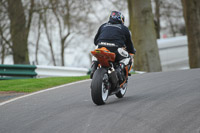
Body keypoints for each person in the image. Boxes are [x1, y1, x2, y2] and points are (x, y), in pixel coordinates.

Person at [90, 11, 136, 81]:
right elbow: (129, 44)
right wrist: (132, 51)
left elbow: (95, 41)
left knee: (96, 51)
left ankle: (93, 66)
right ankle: (119, 69)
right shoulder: (124, 28)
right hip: (115, 49)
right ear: (121, 19)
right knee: (128, 57)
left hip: (101, 47)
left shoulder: (103, 26)